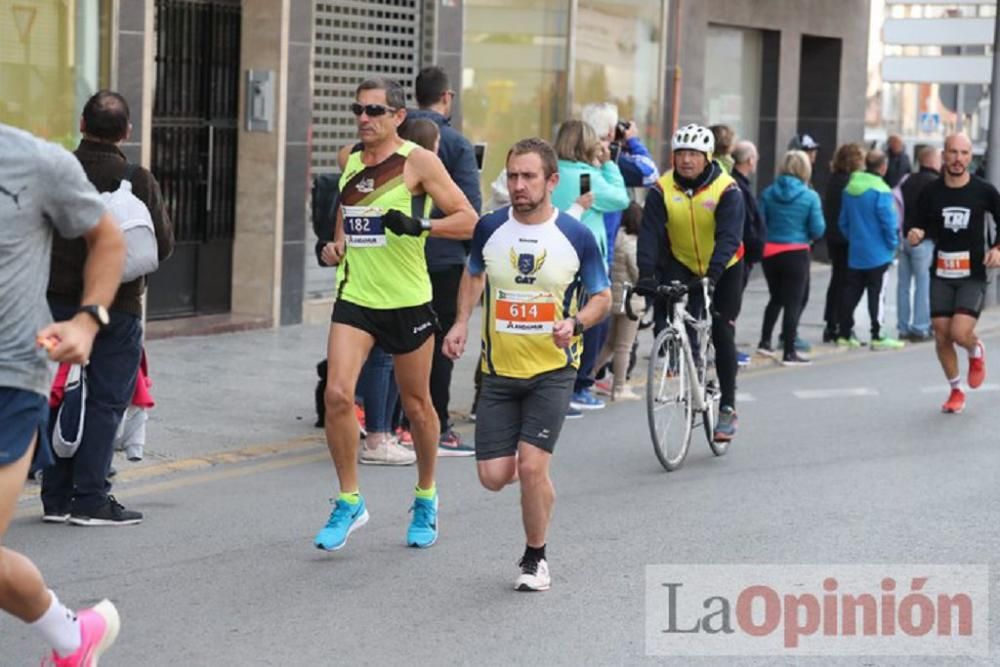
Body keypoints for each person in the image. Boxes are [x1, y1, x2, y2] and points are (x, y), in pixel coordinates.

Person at [314, 77, 477, 552]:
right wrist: (335, 249)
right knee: (339, 395)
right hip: (357, 298)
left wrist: (421, 223)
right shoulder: (349, 162)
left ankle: (426, 495)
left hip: (407, 299)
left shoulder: (418, 162)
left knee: (419, 405)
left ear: (398, 116)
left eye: (375, 111)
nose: (365, 119)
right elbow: (346, 226)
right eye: (358, 110)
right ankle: (349, 500)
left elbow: (469, 218)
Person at [442, 137, 611, 591]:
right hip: (498, 373)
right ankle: (537, 482)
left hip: (553, 371)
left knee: (532, 467)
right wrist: (460, 323)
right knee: (494, 477)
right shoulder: (490, 227)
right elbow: (475, 272)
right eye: (513, 176)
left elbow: (603, 297)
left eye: (528, 176)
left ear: (552, 181)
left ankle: (535, 557)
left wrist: (575, 323)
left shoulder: (576, 236)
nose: (518, 185)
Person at [1, 121, 126, 665]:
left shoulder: (33, 160)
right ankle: (74, 635)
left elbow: (109, 237)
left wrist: (88, 319)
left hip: (9, 380)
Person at [43, 90, 174, 526]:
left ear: (82, 124)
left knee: (59, 393)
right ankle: (91, 498)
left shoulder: (56, 171)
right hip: (117, 308)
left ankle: (56, 497)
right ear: (127, 132)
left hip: (57, 303)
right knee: (104, 401)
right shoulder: (136, 178)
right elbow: (163, 244)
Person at [636, 123, 746, 442]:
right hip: (682, 261)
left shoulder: (727, 190)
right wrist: (645, 275)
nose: (685, 160)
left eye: (693, 154)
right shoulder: (662, 189)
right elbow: (650, 235)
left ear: (708, 157)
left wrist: (712, 275)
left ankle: (727, 407)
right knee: (671, 306)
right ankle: (684, 355)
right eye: (680, 153)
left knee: (723, 330)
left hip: (725, 266)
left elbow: (729, 237)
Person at [407, 66, 482, 455]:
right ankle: (437, 425)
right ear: (447, 97)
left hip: (397, 257)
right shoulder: (454, 143)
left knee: (401, 339)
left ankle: (398, 420)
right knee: (440, 343)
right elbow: (471, 212)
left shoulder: (396, 135)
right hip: (443, 258)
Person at [907, 133, 1000, 414]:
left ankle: (975, 350)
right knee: (941, 334)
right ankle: (956, 390)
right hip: (942, 271)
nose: (958, 159)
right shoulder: (931, 192)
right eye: (953, 153)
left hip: (972, 272)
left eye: (964, 153)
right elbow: (915, 223)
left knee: (960, 332)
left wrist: (998, 247)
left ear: (970, 157)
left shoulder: (984, 191)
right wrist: (915, 233)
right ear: (944, 155)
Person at [550, 120, 629, 413]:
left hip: (554, 251)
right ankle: (579, 384)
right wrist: (609, 165)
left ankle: (559, 383)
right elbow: (620, 199)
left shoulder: (551, 172)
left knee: (558, 314)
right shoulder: (588, 176)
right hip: (585, 255)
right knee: (591, 317)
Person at [756, 151, 825, 365]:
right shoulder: (810, 196)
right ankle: (788, 351)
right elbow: (818, 229)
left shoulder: (768, 193)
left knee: (776, 297)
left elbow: (760, 223)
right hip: (796, 252)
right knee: (794, 301)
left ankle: (765, 341)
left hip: (770, 252)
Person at [837, 149, 904, 351]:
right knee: (877, 294)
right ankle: (878, 334)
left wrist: (855, 239)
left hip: (857, 250)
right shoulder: (882, 191)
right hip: (879, 252)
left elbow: (843, 222)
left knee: (852, 292)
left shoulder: (850, 189)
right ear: (883, 167)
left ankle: (844, 333)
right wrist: (892, 244)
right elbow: (888, 222)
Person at [594, 202, 644, 400]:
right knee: (624, 346)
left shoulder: (616, 238)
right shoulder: (632, 242)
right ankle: (620, 387)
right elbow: (638, 273)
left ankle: (589, 378)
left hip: (614, 297)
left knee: (609, 344)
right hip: (630, 299)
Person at [895, 145, 941, 342]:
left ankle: (903, 327)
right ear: (931, 161)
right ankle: (920, 327)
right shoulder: (937, 184)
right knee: (924, 284)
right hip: (924, 241)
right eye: (939, 159)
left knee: (903, 285)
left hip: (905, 238)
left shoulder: (906, 180)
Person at [822, 143, 864, 343]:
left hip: (833, 237)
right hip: (847, 238)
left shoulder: (833, 180)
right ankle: (842, 325)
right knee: (848, 283)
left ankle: (831, 323)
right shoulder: (850, 183)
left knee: (837, 280)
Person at [731, 140, 766, 367]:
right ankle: (725, 348)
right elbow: (745, 224)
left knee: (731, 306)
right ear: (750, 160)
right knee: (729, 307)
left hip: (744, 254)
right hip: (739, 254)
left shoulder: (740, 184)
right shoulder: (738, 187)